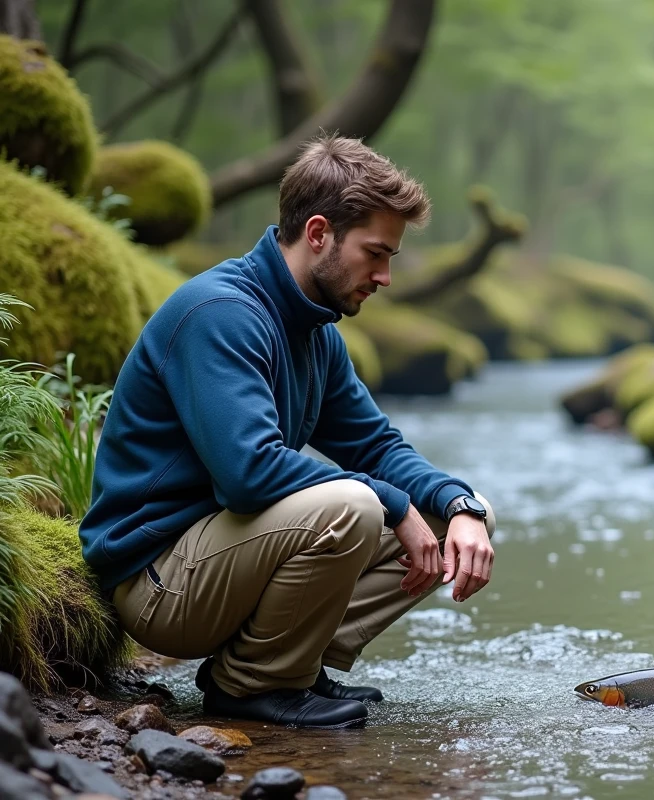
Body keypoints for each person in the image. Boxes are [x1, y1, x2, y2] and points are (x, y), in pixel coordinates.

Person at [79, 134, 495, 729]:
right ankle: (252, 683)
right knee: (353, 503)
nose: (385, 277)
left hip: (222, 561)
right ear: (319, 232)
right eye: (375, 253)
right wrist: (391, 503)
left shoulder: (315, 329)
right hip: (157, 582)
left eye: (390, 259)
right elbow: (249, 474)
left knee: (454, 517)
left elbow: (375, 445)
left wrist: (458, 504)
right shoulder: (221, 314)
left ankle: (293, 663)